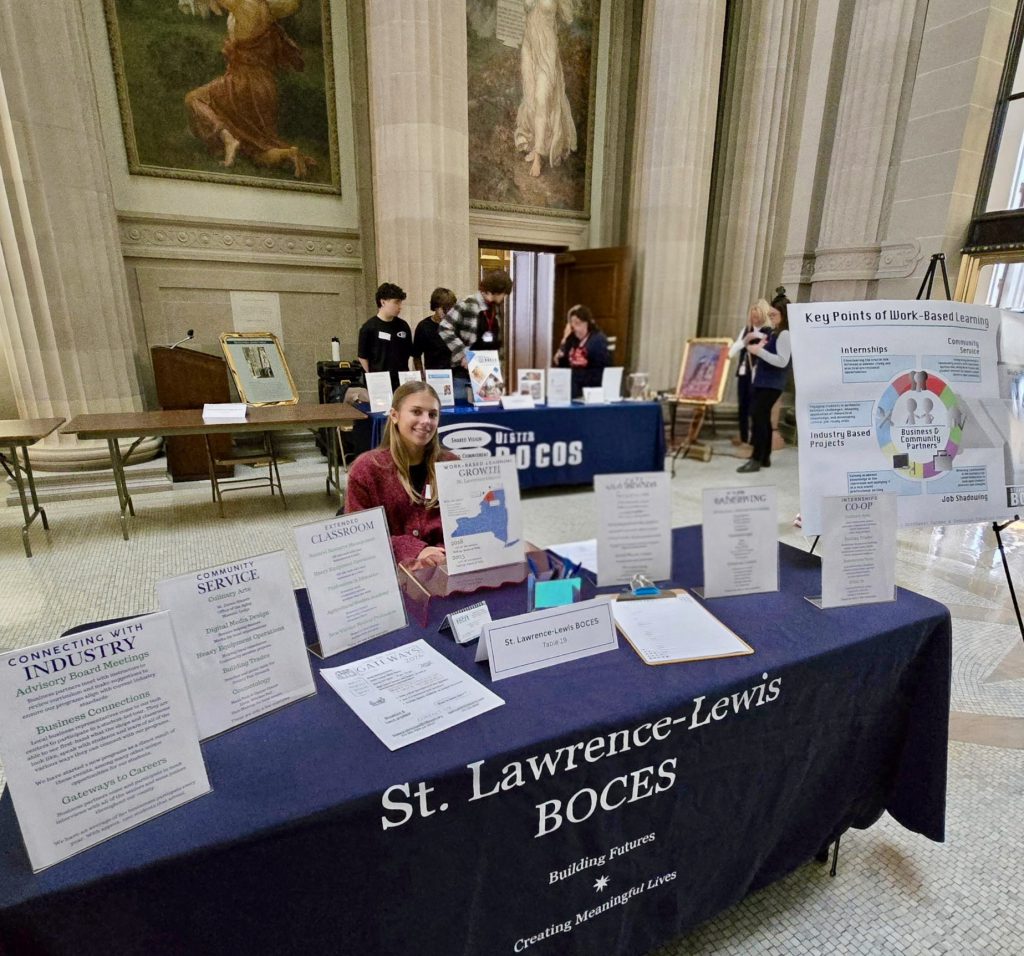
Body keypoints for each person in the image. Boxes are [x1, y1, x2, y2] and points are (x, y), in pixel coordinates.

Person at [183, 0, 314, 178]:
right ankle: (289, 153)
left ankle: (228, 138)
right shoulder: (267, 10)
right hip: (266, 88)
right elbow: (292, 5)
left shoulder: (244, 5)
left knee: (193, 99)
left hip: (243, 84)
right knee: (257, 151)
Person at [344, 381, 456, 568]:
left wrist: (440, 553)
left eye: (433, 414)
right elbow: (360, 538)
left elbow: (466, 527)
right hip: (389, 572)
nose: (426, 421)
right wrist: (416, 550)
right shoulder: (366, 470)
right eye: (416, 412)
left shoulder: (451, 465)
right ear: (394, 415)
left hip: (446, 569)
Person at [514, 0, 578, 178]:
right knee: (531, 99)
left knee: (542, 99)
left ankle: (538, 156)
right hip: (529, 49)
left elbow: (569, 17)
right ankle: (535, 143)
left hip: (548, 52)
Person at [737, 292, 791, 472]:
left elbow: (782, 361)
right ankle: (764, 457)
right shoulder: (777, 332)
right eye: (770, 314)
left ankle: (756, 459)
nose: (771, 316)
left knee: (758, 416)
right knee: (763, 418)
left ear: (784, 315)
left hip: (772, 383)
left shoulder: (785, 334)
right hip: (765, 382)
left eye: (774, 314)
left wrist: (758, 352)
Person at [439, 270, 513, 383]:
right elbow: (444, 327)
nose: (505, 296)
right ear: (496, 290)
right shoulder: (468, 303)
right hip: (465, 372)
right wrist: (464, 354)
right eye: (504, 293)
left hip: (489, 371)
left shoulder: (495, 308)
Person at [728, 299, 772, 446]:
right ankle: (744, 437)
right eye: (753, 317)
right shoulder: (746, 330)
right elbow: (731, 352)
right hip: (745, 373)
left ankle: (754, 439)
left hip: (760, 375)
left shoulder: (768, 332)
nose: (755, 320)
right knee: (743, 406)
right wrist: (745, 340)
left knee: (755, 408)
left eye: (757, 317)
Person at [358, 282, 413, 389]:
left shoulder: (403, 326)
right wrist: (373, 376)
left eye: (400, 302)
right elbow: (362, 357)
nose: (400, 307)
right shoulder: (369, 327)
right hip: (380, 381)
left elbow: (408, 352)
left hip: (401, 381)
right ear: (383, 302)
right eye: (396, 302)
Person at [553, 304, 610, 397]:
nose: (574, 328)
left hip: (590, 388)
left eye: (578, 323)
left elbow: (600, 368)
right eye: (572, 324)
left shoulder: (597, 340)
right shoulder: (572, 339)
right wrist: (565, 339)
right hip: (572, 387)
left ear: (587, 323)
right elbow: (561, 363)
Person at [413, 288, 458, 372]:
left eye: (450, 309)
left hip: (456, 375)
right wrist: (422, 375)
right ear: (435, 307)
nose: (447, 313)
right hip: (434, 375)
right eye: (444, 309)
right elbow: (416, 356)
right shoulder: (423, 327)